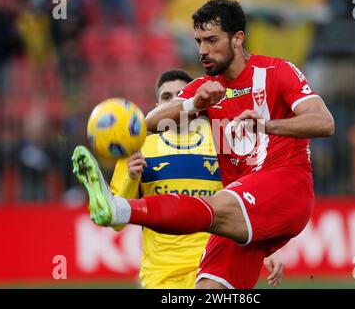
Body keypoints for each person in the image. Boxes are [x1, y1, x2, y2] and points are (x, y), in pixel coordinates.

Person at [72, 0, 334, 289]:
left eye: (211, 40)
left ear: (238, 39)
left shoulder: (276, 71)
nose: (202, 51)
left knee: (212, 206)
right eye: (198, 41)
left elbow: (324, 122)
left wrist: (268, 125)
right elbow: (153, 121)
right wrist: (194, 103)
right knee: (209, 289)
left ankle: (121, 209)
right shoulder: (205, 87)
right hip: (241, 203)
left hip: (286, 184)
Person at [110, 69, 283, 288]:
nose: (173, 104)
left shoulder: (223, 141)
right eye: (166, 98)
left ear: (195, 102)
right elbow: (115, 220)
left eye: (180, 96)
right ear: (157, 107)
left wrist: (268, 247)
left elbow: (249, 200)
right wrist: (131, 178)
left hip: (213, 267)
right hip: (161, 274)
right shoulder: (138, 148)